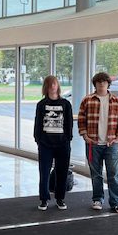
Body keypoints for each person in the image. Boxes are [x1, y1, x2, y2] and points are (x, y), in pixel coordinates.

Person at [78, 72, 118, 214]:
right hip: (93, 143)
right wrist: (85, 136)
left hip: (111, 144)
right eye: (98, 82)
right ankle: (97, 199)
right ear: (95, 84)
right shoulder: (87, 100)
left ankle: (116, 203)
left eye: (104, 82)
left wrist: (117, 138)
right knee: (96, 174)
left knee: (113, 174)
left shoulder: (117, 101)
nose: (101, 84)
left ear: (108, 84)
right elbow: (81, 120)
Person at [34, 75, 73, 211]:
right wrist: (38, 139)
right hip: (45, 144)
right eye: (50, 84)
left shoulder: (65, 104)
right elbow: (37, 123)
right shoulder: (41, 104)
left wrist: (68, 139)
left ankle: (60, 198)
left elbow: (68, 124)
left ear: (58, 86)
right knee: (44, 172)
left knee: (61, 172)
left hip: (62, 144)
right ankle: (44, 199)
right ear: (46, 87)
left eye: (55, 84)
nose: (52, 86)